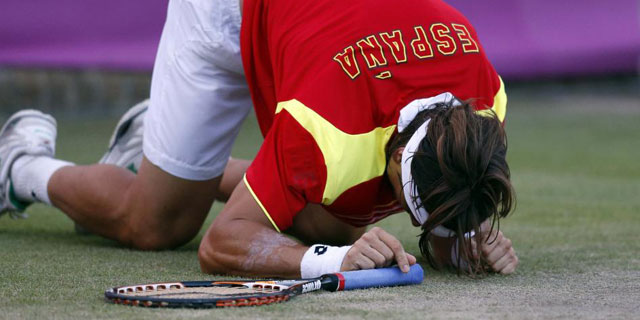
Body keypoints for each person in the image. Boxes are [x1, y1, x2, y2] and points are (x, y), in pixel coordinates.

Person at [0, 0, 518, 278]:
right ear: (402, 153)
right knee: (157, 223)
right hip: (226, 13)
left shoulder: (485, 100)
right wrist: (326, 263)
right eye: (411, 203)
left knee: (335, 216)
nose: (402, 216)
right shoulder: (327, 128)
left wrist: (465, 242)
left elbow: (453, 182)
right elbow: (221, 243)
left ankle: (159, 151)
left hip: (312, 30)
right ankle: (19, 165)